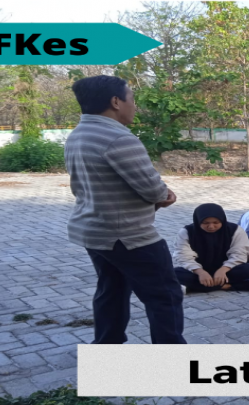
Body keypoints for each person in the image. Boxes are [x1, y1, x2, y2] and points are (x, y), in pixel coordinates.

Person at [64, 75, 185, 344]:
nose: (135, 105)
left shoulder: (78, 134)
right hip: (128, 236)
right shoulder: (118, 138)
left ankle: (107, 350)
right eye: (132, 98)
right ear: (116, 102)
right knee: (164, 296)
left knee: (112, 291)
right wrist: (164, 195)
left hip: (94, 231)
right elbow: (153, 190)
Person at [173, 204, 249, 293]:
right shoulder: (187, 232)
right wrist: (200, 272)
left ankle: (192, 288)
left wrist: (223, 269)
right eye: (206, 223)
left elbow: (239, 253)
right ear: (198, 221)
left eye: (216, 223)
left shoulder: (235, 230)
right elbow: (183, 256)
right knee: (173, 273)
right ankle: (231, 286)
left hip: (227, 269)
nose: (211, 226)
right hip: (197, 270)